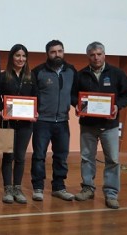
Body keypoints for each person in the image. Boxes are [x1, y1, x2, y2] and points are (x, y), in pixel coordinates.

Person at [72, 41, 127, 209]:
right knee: (87, 158)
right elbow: (73, 96)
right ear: (88, 57)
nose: (96, 57)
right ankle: (87, 188)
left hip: (110, 125)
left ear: (104, 55)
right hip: (88, 125)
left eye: (99, 54)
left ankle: (111, 193)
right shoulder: (81, 75)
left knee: (113, 159)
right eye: (92, 55)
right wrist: (76, 105)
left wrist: (117, 106)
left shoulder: (117, 73)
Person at [31, 40, 77, 201]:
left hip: (63, 121)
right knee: (39, 155)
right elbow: (32, 96)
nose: (57, 55)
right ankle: (38, 188)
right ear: (47, 54)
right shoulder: (38, 72)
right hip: (42, 121)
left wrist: (80, 106)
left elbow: (74, 95)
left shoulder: (71, 71)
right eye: (53, 52)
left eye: (60, 51)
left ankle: (59, 187)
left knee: (61, 156)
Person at [0, 44, 37, 204]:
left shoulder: (31, 77)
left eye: (23, 56)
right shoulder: (3, 76)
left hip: (26, 124)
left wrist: (35, 112)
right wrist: (2, 108)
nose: (20, 59)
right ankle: (8, 189)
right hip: (7, 122)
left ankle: (17, 188)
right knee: (8, 156)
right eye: (17, 55)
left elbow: (36, 98)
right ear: (12, 57)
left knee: (20, 157)